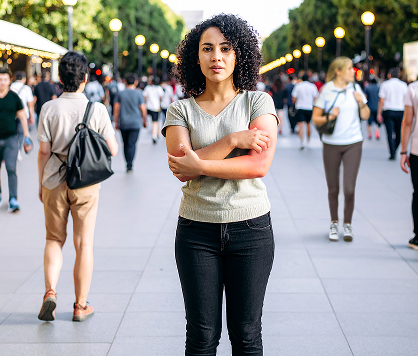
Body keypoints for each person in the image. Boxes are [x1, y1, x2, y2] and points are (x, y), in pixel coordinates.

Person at [163, 14, 278, 355]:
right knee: (201, 336)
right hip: (197, 231)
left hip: (251, 229)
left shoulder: (258, 102)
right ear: (194, 57)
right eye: (208, 49)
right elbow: (182, 169)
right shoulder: (180, 110)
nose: (216, 57)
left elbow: (258, 165)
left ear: (238, 54)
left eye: (226, 49)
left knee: (246, 335)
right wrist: (233, 140)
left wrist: (201, 163)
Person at [37, 52, 118, 322]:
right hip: (85, 182)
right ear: (84, 78)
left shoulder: (49, 108)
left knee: (53, 239)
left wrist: (41, 183)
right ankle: (80, 306)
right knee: (83, 244)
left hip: (53, 179)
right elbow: (113, 149)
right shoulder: (96, 109)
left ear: (60, 78)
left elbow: (43, 151)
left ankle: (50, 292)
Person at [312, 57, 370, 242]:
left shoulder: (355, 89)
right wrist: (330, 116)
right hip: (331, 143)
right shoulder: (327, 90)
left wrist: (361, 102)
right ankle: (334, 223)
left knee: (349, 188)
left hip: (354, 142)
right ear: (338, 71)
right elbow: (316, 118)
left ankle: (348, 225)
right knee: (333, 188)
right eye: (350, 69)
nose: (354, 71)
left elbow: (366, 115)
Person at [0, 67, 33, 212]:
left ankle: (13, 199)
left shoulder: (14, 98)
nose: (2, 82)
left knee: (11, 168)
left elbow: (22, 117)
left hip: (11, 139)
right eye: (0, 80)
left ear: (9, 81)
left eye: (5, 79)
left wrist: (27, 136)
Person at [114, 73, 147, 172]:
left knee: (125, 143)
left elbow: (116, 108)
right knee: (132, 143)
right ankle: (130, 163)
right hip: (135, 123)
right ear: (136, 82)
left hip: (124, 122)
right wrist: (144, 120)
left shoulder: (120, 93)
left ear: (125, 82)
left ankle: (127, 162)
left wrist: (116, 121)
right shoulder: (139, 93)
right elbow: (143, 108)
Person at [400, 79, 418, 250]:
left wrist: (403, 151)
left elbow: (407, 122)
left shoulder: (413, 89)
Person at [377, 68, 408, 160]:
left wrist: (379, 113)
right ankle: (395, 148)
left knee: (389, 133)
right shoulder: (403, 85)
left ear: (389, 75)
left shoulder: (385, 85)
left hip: (388, 110)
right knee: (399, 132)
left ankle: (392, 152)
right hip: (400, 110)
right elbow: (406, 100)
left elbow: (381, 100)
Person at [10, 71, 35, 154]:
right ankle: (18, 151)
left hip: (11, 114)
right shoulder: (26, 88)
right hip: (23, 115)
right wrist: (32, 116)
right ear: (24, 79)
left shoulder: (10, 87)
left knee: (13, 133)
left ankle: (12, 149)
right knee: (21, 133)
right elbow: (30, 104)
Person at [292, 73, 318, 149]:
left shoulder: (298, 86)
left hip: (300, 106)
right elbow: (316, 97)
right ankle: (308, 141)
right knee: (308, 124)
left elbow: (294, 98)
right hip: (309, 107)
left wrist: (295, 104)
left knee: (300, 125)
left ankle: (302, 142)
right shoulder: (312, 86)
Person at [143, 77, 164, 144]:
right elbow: (161, 97)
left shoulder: (147, 88)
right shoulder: (159, 88)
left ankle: (152, 131)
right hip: (156, 107)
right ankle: (154, 135)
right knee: (155, 122)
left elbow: (145, 97)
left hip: (148, 106)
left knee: (150, 120)